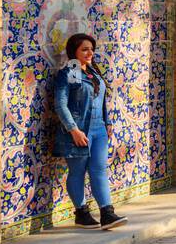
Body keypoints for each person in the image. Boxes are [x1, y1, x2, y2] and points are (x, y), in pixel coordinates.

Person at [52, 33, 127, 230]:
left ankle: (107, 213)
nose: (89, 52)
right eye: (84, 49)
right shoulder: (73, 70)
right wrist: (73, 130)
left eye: (91, 49)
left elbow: (101, 98)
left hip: (99, 129)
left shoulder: (93, 71)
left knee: (99, 169)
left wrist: (108, 122)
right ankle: (82, 212)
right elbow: (61, 104)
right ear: (74, 52)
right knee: (77, 171)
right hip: (79, 130)